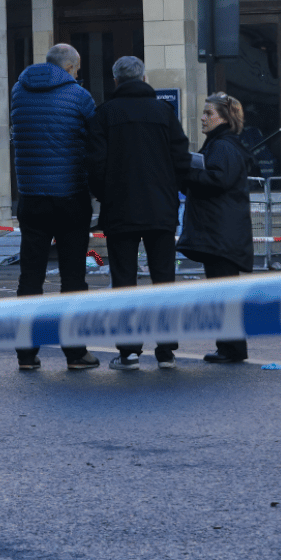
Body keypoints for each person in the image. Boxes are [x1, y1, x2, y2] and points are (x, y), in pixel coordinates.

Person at [86, 56, 193, 371]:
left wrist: (106, 196)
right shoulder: (163, 112)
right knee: (164, 279)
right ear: (144, 78)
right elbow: (181, 158)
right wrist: (175, 193)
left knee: (124, 280)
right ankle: (166, 351)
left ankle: (129, 351)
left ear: (116, 80)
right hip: (160, 208)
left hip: (120, 210)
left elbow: (95, 164)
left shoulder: (105, 113)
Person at [10, 43, 99, 371]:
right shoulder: (79, 96)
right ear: (71, 67)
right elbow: (95, 139)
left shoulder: (19, 91)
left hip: (31, 198)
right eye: (77, 69)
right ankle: (76, 353)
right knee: (73, 277)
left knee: (30, 278)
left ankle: (26, 354)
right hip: (70, 198)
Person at [178, 92, 256, 363]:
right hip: (219, 233)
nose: (202, 117)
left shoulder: (223, 146)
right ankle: (228, 347)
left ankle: (232, 350)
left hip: (221, 234)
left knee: (224, 294)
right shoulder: (220, 144)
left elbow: (216, 180)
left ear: (224, 118)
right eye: (204, 112)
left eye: (208, 113)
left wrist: (186, 172)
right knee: (222, 293)